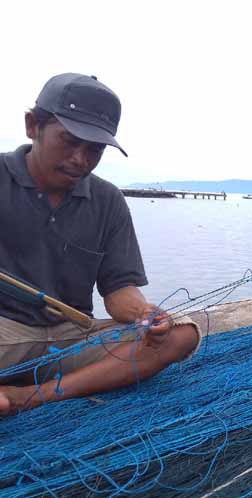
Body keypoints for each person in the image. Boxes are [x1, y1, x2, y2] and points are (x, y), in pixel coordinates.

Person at [0, 73, 201, 415]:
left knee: (183, 334)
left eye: (94, 149)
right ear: (33, 125)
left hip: (70, 337)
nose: (80, 158)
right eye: (69, 141)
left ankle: (32, 396)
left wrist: (145, 315)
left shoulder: (107, 200)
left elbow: (119, 290)